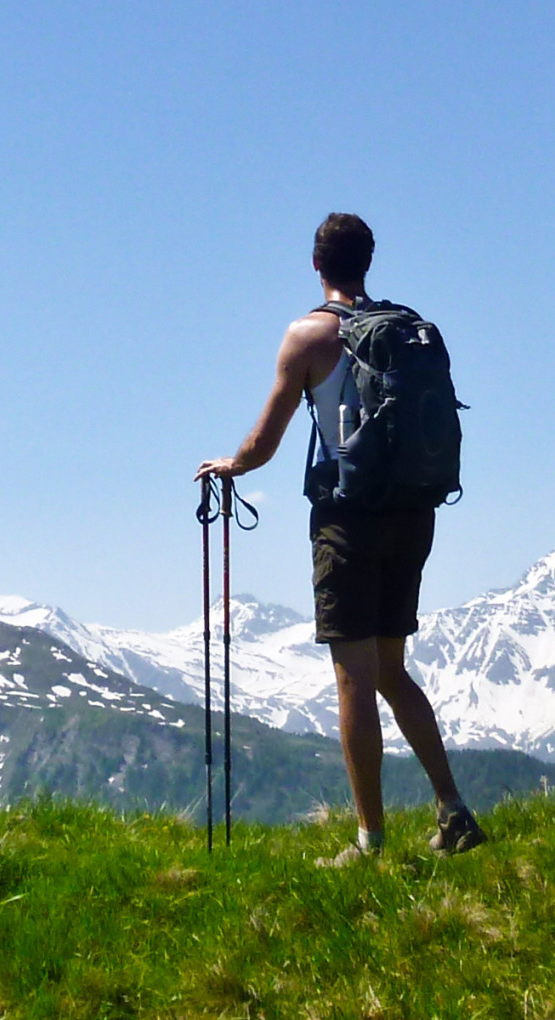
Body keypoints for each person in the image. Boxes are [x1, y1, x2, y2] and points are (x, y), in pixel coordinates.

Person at [195, 212, 484, 864]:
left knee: (353, 679)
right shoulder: (409, 331)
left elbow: (263, 443)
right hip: (414, 512)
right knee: (389, 669)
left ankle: (370, 843)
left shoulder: (308, 337)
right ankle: (452, 809)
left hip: (347, 521)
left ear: (316, 265)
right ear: (368, 260)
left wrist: (229, 466)